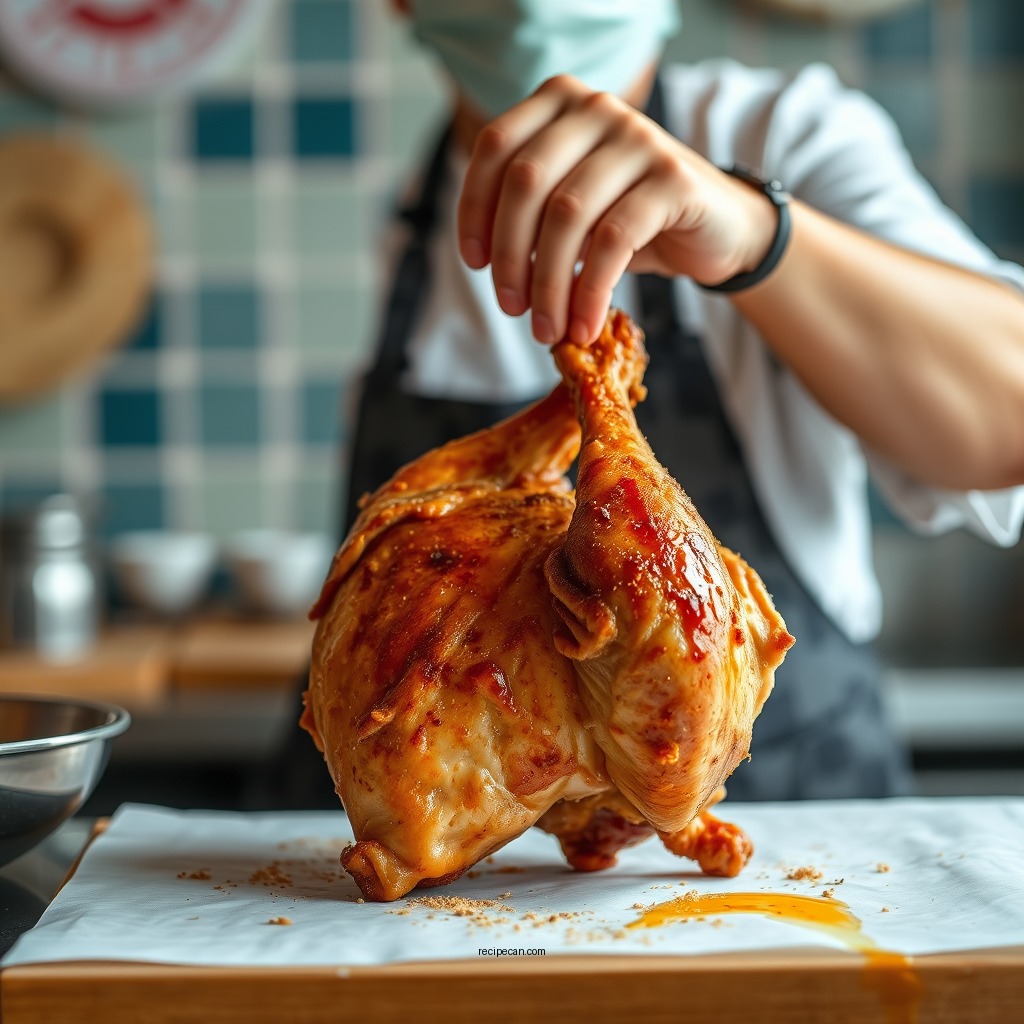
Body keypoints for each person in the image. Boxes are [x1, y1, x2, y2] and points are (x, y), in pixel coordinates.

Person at [256, 0, 1024, 809]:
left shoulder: (783, 133)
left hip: (774, 874)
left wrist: (756, 238)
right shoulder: (408, 210)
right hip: (400, 893)